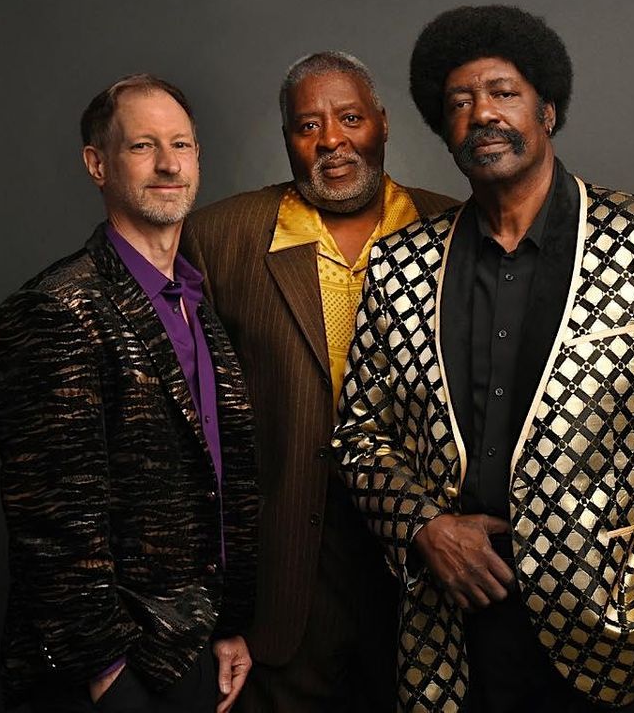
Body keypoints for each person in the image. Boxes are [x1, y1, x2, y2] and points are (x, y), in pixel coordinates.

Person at [332, 4, 634, 713]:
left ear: (548, 111)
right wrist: (421, 527)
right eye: (459, 102)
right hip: (450, 630)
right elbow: (359, 434)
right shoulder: (400, 264)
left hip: (610, 629)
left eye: (503, 92)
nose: (482, 113)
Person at [181, 51, 456, 712]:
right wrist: (219, 604)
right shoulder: (220, 238)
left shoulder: (453, 229)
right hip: (286, 578)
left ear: (382, 124)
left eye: (350, 118)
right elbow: (190, 434)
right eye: (309, 125)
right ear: (288, 139)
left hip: (424, 564)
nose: (331, 139)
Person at [0, 74, 259, 712]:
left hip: (195, 650)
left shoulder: (198, 304)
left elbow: (219, 478)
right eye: (142, 146)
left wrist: (228, 624)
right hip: (116, 669)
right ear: (97, 164)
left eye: (181, 145)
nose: (168, 164)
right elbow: (53, 522)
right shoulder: (55, 310)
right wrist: (108, 674)